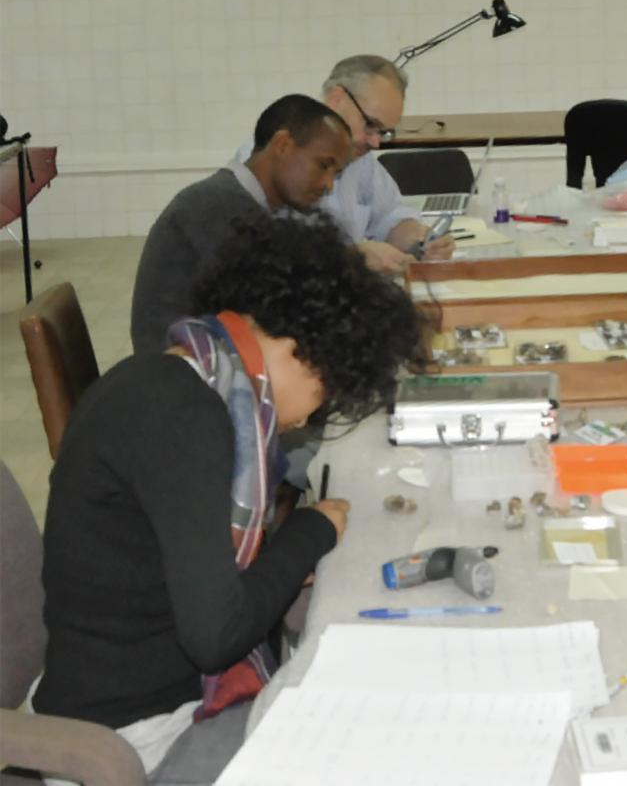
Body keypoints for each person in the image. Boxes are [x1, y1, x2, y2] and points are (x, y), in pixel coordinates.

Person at [36, 217, 426, 780]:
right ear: (302, 350)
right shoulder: (184, 417)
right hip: (135, 735)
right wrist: (310, 532)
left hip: (138, 691)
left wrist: (283, 560)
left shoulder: (175, 379)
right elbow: (216, 638)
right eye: (326, 392)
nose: (307, 418)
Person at [130, 94, 352, 354]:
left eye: (336, 173)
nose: (328, 184)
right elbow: (275, 314)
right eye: (323, 165)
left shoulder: (246, 204)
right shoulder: (218, 205)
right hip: (179, 376)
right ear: (282, 144)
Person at [310, 54, 455, 274]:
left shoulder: (360, 160)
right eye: (370, 124)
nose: (375, 142)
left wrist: (423, 241)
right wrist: (354, 256)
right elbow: (274, 254)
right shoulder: (280, 157)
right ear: (336, 100)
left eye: (384, 132)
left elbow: (389, 216)